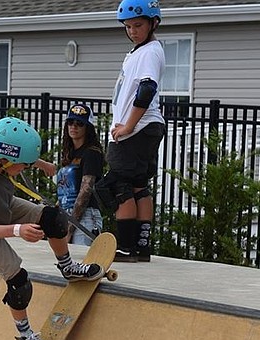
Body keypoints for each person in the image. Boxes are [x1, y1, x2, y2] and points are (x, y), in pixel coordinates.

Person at [0, 117, 105, 340]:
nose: (24, 169)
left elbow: (18, 154)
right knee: (19, 283)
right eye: (22, 166)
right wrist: (17, 230)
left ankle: (68, 267)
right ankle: (26, 338)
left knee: (53, 218)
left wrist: (41, 164)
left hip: (2, 205)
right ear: (6, 160)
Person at [99, 0, 165, 262]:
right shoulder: (140, 52)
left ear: (153, 23)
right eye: (128, 27)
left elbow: (147, 90)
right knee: (138, 185)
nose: (133, 31)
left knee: (116, 185)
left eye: (138, 25)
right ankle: (141, 246)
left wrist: (128, 125)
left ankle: (126, 247)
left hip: (137, 129)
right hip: (146, 128)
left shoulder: (149, 51)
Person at [57, 103, 105, 246]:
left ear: (88, 127)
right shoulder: (69, 154)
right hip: (67, 214)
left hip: (85, 216)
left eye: (79, 123)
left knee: (82, 262)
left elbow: (85, 191)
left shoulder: (91, 152)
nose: (74, 126)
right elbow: (64, 190)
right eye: (70, 122)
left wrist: (71, 228)